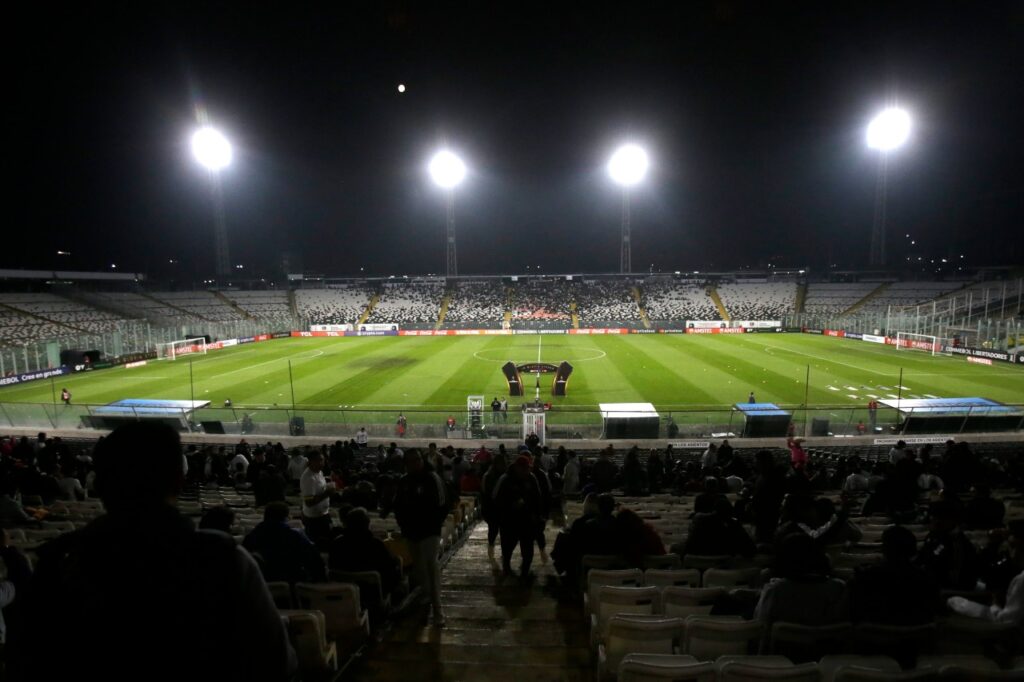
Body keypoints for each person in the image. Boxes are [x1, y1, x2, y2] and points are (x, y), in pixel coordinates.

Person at [14, 421, 296, 680]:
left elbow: (29, 663)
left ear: (99, 485)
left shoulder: (57, 563)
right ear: (178, 480)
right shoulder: (224, 560)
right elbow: (277, 662)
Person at [387, 449, 449, 626]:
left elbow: (442, 503)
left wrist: (434, 524)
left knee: (431, 566)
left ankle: (438, 610)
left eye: (417, 460)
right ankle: (428, 596)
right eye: (410, 461)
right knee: (421, 569)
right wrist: (404, 525)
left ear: (422, 461)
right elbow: (398, 505)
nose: (414, 464)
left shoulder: (432, 478)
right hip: (412, 532)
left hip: (429, 531)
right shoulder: (404, 481)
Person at [850, 526, 938, 626]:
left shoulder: (866, 578)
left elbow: (854, 614)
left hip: (874, 638)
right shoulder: (926, 579)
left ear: (884, 549)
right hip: (915, 638)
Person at [949, 521, 1024, 624]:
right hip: (997, 593)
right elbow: (985, 571)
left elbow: (1005, 621)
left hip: (1002, 618)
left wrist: (995, 605)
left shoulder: (1021, 579)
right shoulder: (1008, 560)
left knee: (954, 601)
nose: (1014, 553)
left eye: (1017, 547)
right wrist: (994, 543)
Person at [244, 501, 325, 585]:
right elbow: (314, 560)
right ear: (285, 517)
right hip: (292, 582)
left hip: (259, 583)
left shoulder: (251, 537)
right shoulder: (295, 536)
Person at [494, 455, 543, 582]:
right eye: (523, 469)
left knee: (527, 549)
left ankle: (525, 571)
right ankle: (507, 568)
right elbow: (497, 500)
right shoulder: (505, 480)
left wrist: (536, 515)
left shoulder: (532, 479)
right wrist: (511, 506)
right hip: (509, 521)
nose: (526, 471)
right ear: (517, 468)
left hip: (527, 521)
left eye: (527, 469)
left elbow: (538, 498)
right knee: (508, 547)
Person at [299, 450, 336, 547]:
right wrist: (328, 493)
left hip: (323, 513)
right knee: (317, 544)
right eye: (317, 461)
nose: (321, 463)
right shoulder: (308, 478)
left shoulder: (319, 472)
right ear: (310, 462)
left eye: (322, 460)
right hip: (314, 519)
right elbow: (309, 502)